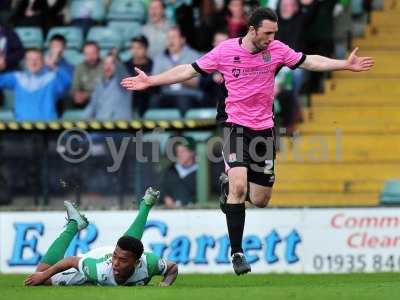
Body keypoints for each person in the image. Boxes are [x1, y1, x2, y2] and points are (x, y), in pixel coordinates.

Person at [120, 7, 374, 275]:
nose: (272, 38)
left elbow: (309, 61)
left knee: (260, 199)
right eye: (268, 33)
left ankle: (229, 189)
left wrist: (343, 64)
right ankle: (237, 252)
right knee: (239, 188)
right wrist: (152, 81)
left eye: (275, 33)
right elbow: (189, 69)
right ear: (252, 30)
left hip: (264, 129)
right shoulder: (226, 51)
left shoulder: (276, 49)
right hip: (234, 124)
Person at [24, 187, 179, 287]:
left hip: (123, 260)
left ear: (137, 262)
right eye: (116, 257)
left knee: (129, 246)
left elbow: (172, 268)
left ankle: (145, 205)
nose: (116, 264)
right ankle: (74, 225)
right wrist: (43, 275)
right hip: (98, 258)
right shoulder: (98, 269)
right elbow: (71, 261)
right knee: (42, 275)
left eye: (123, 260)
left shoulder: (150, 263)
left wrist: (166, 283)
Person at [0, 48, 72, 121]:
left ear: (44, 61)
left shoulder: (52, 78)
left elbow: (68, 82)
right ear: (25, 62)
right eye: (30, 59)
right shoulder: (18, 77)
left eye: (37, 59)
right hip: (22, 127)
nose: (33, 63)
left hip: (48, 127)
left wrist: (53, 65)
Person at [150, 26, 202, 115]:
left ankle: (183, 129)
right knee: (154, 101)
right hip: (165, 94)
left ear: (182, 40)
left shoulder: (194, 55)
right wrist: (180, 75)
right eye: (168, 38)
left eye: (174, 37)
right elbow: (155, 81)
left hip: (187, 94)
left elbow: (197, 82)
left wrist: (173, 77)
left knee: (182, 100)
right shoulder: (159, 58)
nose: (171, 41)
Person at [83, 54, 132, 120]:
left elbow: (122, 71)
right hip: (101, 125)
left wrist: (115, 56)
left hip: (120, 126)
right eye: (105, 64)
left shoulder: (125, 81)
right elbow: (92, 105)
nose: (108, 67)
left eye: (112, 64)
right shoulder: (99, 84)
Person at [160, 136, 198, 208]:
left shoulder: (201, 173)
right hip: (171, 213)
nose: (179, 154)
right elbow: (160, 189)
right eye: (178, 151)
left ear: (192, 153)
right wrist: (165, 198)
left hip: (194, 212)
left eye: (183, 151)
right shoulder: (170, 171)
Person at [124, 36, 154, 117]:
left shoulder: (153, 64)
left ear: (146, 48)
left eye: (139, 47)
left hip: (149, 96)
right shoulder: (125, 65)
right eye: (133, 47)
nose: (135, 51)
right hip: (130, 96)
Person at [71, 41, 103, 108]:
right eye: (87, 54)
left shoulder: (106, 66)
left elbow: (107, 90)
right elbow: (75, 87)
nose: (90, 57)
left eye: (93, 53)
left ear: (99, 53)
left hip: (101, 99)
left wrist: (87, 95)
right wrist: (76, 94)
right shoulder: (79, 67)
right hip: (83, 101)